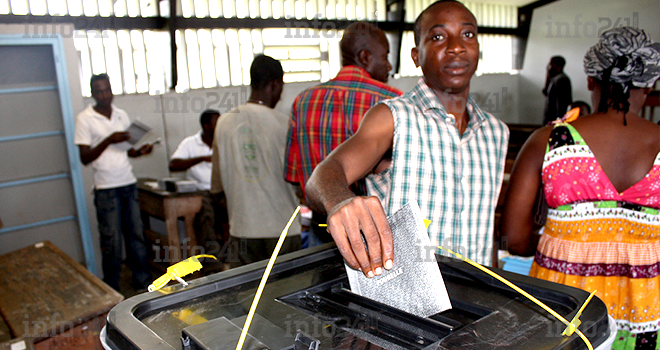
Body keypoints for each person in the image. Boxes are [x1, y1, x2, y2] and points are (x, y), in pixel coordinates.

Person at [305, 0, 509, 278]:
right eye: (438, 37)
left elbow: (486, 224)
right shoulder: (393, 117)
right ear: (416, 56)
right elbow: (324, 174)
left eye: (468, 34)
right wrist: (340, 201)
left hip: (475, 298)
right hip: (404, 301)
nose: (456, 46)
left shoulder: (496, 132)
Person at [501, 27, 660, 349]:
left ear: (590, 80)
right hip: (645, 312)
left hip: (561, 308)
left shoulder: (547, 141)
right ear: (650, 83)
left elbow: (515, 240)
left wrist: (567, 240)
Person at [284, 22, 403, 243]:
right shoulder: (393, 104)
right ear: (365, 57)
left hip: (320, 229)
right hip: (374, 234)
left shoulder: (302, 101)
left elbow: (292, 174)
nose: (388, 66)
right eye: (385, 57)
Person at [210, 55, 301, 266]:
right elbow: (298, 180)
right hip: (282, 230)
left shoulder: (223, 123)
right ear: (275, 84)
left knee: (248, 295)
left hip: (242, 229)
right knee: (283, 293)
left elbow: (216, 188)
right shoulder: (284, 124)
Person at [74, 73, 153, 292]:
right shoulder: (85, 118)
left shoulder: (121, 114)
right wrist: (109, 139)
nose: (105, 95)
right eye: (99, 91)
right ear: (92, 93)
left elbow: (127, 150)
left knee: (136, 236)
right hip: (106, 189)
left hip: (128, 183)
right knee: (112, 243)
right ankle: (112, 290)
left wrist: (142, 151)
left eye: (107, 89)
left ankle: (142, 284)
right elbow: (85, 157)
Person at [169, 109, 228, 263]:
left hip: (222, 190)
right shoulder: (190, 143)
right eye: (217, 122)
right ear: (206, 126)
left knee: (237, 209)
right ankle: (213, 260)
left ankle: (235, 254)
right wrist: (201, 159)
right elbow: (174, 165)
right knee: (205, 214)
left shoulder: (223, 141)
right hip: (200, 192)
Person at [542, 55, 573, 125]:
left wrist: (558, 121)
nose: (548, 67)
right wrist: (547, 76)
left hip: (556, 121)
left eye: (550, 64)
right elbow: (545, 92)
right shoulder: (555, 79)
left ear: (558, 65)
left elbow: (561, 104)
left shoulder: (561, 80)